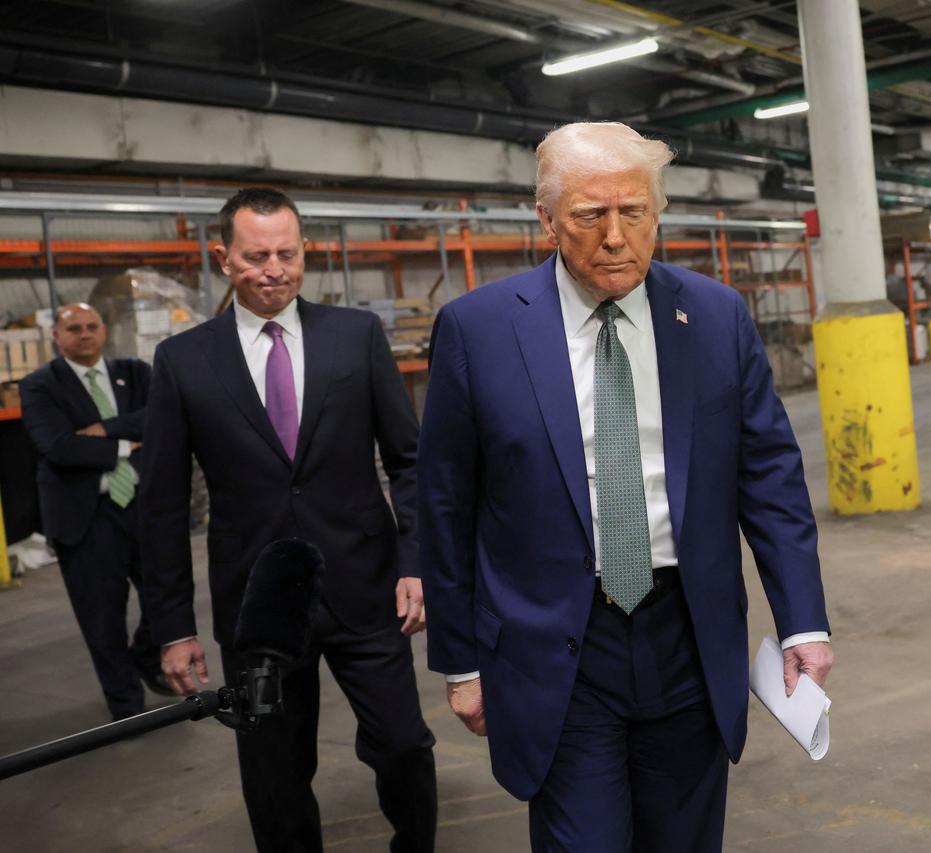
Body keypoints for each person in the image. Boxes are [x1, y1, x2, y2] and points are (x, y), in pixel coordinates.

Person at [418, 122, 834, 851]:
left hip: (688, 637)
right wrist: (461, 660)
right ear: (547, 219)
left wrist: (802, 620)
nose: (616, 237)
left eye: (633, 212)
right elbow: (447, 505)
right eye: (590, 215)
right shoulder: (478, 331)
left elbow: (769, 474)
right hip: (558, 647)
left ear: (656, 211)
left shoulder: (713, 317)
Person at [139, 188, 436, 853]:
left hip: (366, 584)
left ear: (305, 251)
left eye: (287, 252)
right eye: (256, 255)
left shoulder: (355, 336)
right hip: (259, 604)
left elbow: (409, 460)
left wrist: (416, 561)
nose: (274, 268)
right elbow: (160, 506)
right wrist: (173, 626)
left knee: (404, 744)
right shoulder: (184, 362)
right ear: (224, 258)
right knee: (274, 771)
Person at [20, 303, 170, 721]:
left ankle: (146, 656)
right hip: (85, 519)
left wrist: (106, 429)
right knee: (102, 619)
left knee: (166, 598)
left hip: (142, 509)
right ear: (57, 336)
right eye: (74, 328)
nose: (84, 334)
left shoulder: (136, 372)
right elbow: (58, 446)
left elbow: (160, 417)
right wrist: (125, 444)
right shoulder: (39, 385)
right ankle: (127, 706)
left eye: (91, 326)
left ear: (103, 331)